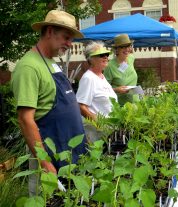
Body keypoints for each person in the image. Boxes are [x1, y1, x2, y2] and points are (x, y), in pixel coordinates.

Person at [11, 10, 87, 195]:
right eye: (66, 38)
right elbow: (25, 119)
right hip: (52, 161)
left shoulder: (51, 62)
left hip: (70, 156)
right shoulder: (29, 66)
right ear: (50, 31)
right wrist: (45, 163)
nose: (70, 44)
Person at [76, 41, 118, 142]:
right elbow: (81, 106)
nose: (105, 57)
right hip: (96, 134)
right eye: (101, 55)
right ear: (91, 59)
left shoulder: (101, 76)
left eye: (106, 54)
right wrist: (100, 124)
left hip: (107, 132)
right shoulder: (89, 78)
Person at [103, 34, 138, 106]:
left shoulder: (131, 58)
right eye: (123, 47)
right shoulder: (109, 66)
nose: (127, 49)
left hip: (135, 103)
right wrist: (116, 90)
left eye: (128, 46)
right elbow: (103, 89)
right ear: (116, 49)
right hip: (120, 106)